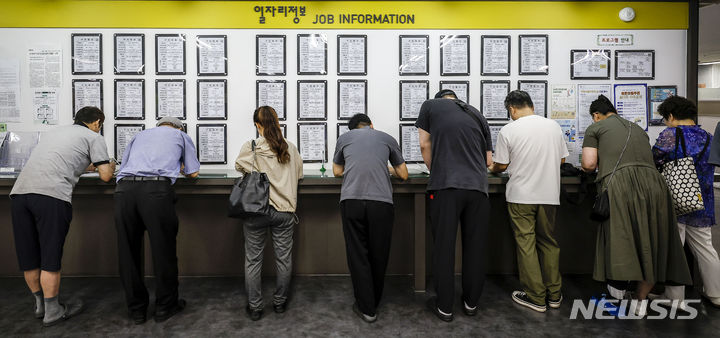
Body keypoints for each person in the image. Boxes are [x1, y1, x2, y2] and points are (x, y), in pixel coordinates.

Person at [580, 95, 691, 316]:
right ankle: (640, 302)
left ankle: (617, 300)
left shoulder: (596, 128)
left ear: (596, 115)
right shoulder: (637, 129)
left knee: (621, 241)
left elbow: (589, 163)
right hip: (655, 187)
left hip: (621, 187)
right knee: (651, 242)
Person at [10, 106, 115, 327]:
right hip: (51, 196)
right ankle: (53, 311)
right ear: (97, 123)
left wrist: (84, 167)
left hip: (19, 194)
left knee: (29, 255)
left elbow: (61, 161)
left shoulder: (55, 133)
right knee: (50, 254)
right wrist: (110, 164)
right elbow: (106, 176)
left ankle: (40, 305)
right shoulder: (92, 136)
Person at [416, 89, 493, 322]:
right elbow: (488, 161)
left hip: (446, 186)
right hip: (478, 189)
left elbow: (424, 145)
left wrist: (435, 169)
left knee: (444, 247)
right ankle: (471, 304)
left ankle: (445, 307)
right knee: (475, 248)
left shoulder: (430, 105)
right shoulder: (476, 113)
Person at [114, 116, 200, 324]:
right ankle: (165, 307)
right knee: (163, 251)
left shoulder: (140, 135)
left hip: (125, 190)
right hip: (156, 191)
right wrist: (178, 166)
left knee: (128, 252)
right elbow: (193, 173)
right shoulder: (180, 135)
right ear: (178, 127)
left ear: (159, 125)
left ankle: (136, 310)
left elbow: (122, 167)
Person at [489, 90, 568, 313]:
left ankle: (535, 296)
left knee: (526, 243)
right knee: (549, 243)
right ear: (531, 105)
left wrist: (492, 166)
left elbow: (502, 165)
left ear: (512, 109)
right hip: (550, 194)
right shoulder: (553, 126)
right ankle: (554, 294)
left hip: (521, 195)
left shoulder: (509, 130)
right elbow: (562, 159)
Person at [332, 113, 409, 323]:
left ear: (352, 129)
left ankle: (366, 308)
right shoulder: (387, 138)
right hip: (381, 203)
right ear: (371, 125)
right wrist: (384, 168)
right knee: (379, 253)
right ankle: (373, 301)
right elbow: (403, 174)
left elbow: (337, 171)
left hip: (352, 201)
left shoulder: (344, 139)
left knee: (358, 253)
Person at [650, 96, 720, 308]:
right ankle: (716, 294)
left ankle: (674, 298)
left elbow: (654, 159)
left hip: (677, 200)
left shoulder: (670, 135)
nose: (665, 122)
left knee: (675, 250)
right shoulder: (708, 136)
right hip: (703, 202)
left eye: (665, 118)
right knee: (706, 249)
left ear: (671, 116)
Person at [235, 106, 303, 321]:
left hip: (257, 211)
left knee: (253, 260)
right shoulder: (289, 148)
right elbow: (299, 175)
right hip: (284, 211)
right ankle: (280, 303)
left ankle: (255, 308)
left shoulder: (252, 147)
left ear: (258, 125)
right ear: (277, 122)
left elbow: (239, 167)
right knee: (283, 259)